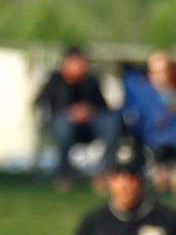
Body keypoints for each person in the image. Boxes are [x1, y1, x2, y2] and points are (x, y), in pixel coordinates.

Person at [34, 47, 122, 190]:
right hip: (63, 125)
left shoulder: (91, 81)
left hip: (90, 125)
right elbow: (41, 101)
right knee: (63, 125)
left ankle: (104, 172)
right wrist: (69, 112)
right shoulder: (55, 80)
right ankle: (63, 174)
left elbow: (103, 106)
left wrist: (88, 111)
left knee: (111, 124)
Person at [122, 50, 176, 194]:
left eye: (163, 71)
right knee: (160, 169)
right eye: (154, 72)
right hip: (155, 137)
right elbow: (145, 118)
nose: (159, 76)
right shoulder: (143, 92)